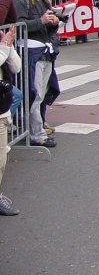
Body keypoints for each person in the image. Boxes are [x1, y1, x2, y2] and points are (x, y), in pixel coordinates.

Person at [14, 0, 62, 148]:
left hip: (45, 51)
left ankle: (37, 129)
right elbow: (19, 25)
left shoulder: (43, 1)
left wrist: (53, 23)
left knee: (41, 93)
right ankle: (36, 134)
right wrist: (41, 21)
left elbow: (44, 26)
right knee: (35, 94)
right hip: (32, 52)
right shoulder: (22, 1)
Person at [0, 25, 21, 215]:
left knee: (1, 160)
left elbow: (16, 67)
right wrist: (5, 47)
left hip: (1, 111)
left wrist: (10, 46)